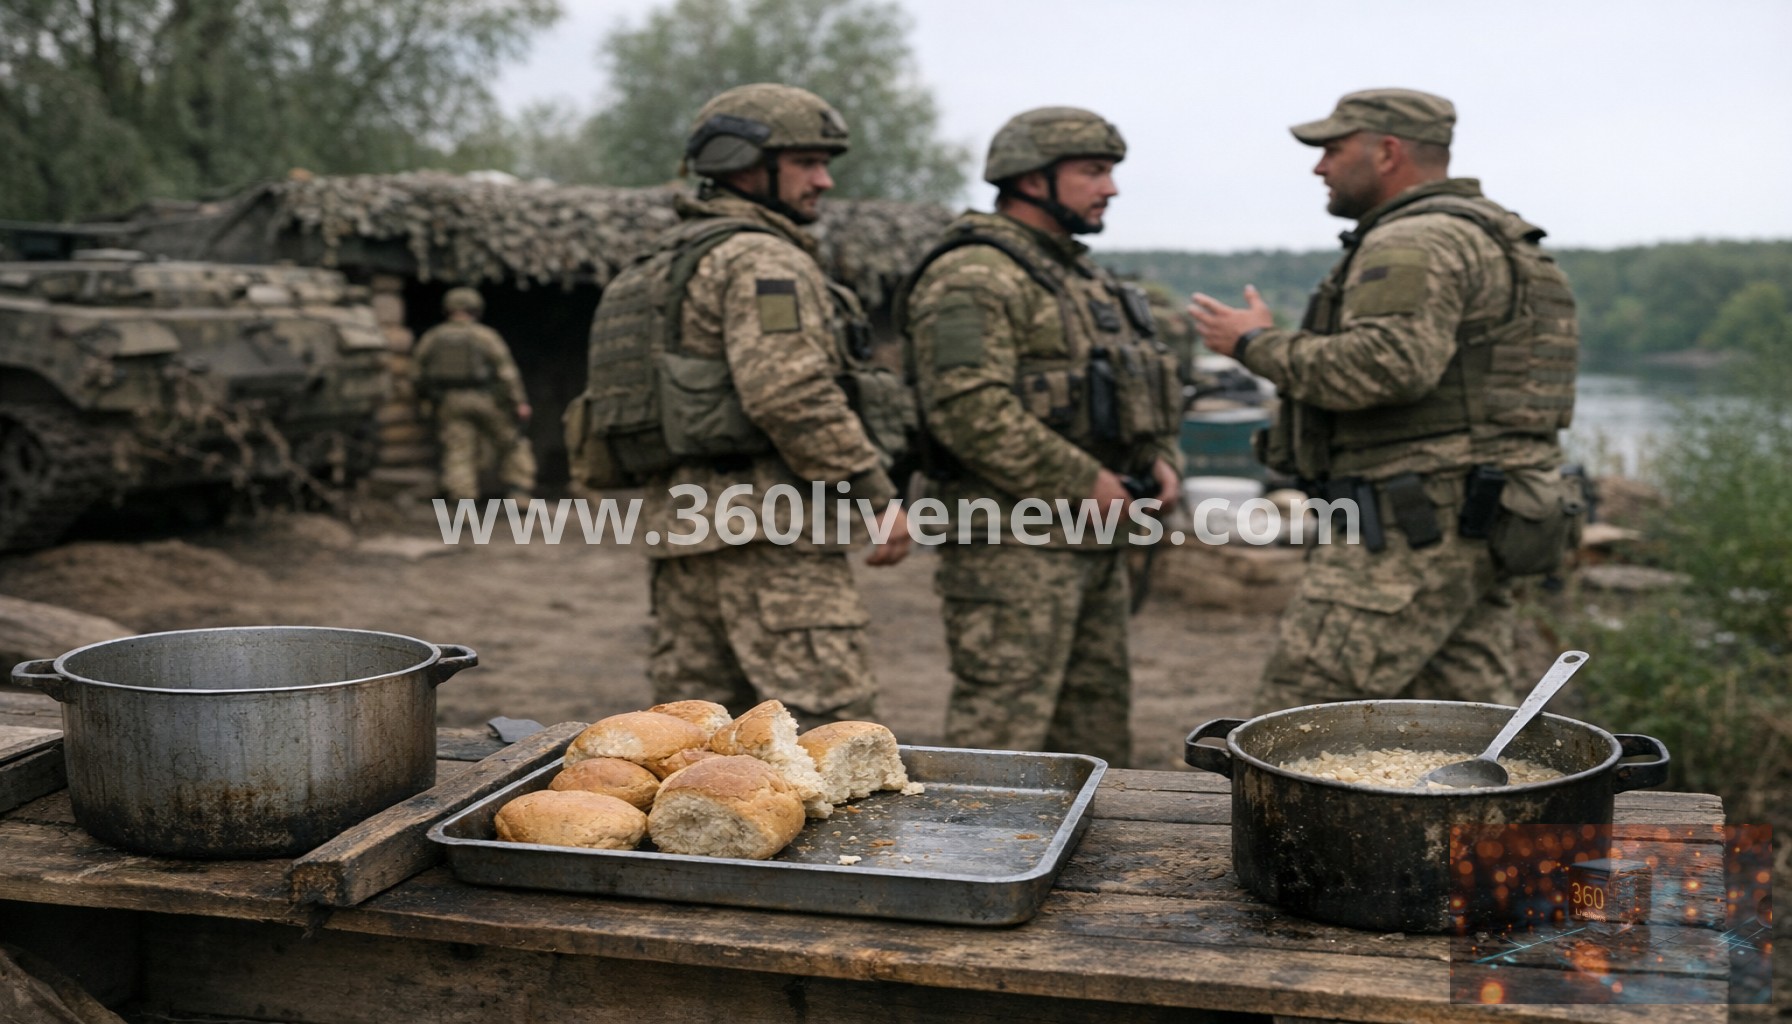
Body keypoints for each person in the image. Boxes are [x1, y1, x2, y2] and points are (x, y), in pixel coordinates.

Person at [1189, 88, 1581, 714]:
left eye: (1332, 150)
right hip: (1486, 517)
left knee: (1299, 723)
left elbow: (1386, 367)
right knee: (1464, 725)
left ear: (1388, 152)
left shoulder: (1414, 242)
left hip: (1409, 528)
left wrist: (1254, 344)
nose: (1319, 167)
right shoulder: (1494, 236)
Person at [574, 83, 911, 729]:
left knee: (695, 740)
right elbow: (789, 389)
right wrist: (873, 491)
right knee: (827, 736)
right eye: (808, 163)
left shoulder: (670, 259)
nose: (825, 180)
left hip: (687, 535)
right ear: (747, 165)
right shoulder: (761, 259)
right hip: (772, 539)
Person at [901, 107, 1183, 766]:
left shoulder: (1079, 278)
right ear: (1030, 179)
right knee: (1003, 735)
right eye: (1092, 171)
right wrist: (1083, 481)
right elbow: (967, 406)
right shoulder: (975, 273)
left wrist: (1160, 460)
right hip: (1011, 545)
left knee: (1095, 732)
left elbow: (1131, 389)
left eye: (1110, 171)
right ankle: (979, 865)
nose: (1109, 187)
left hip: (1093, 537)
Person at [412, 287, 536, 502]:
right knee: (512, 442)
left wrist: (428, 398)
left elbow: (416, 374)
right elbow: (507, 373)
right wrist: (519, 403)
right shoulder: (485, 336)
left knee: (458, 452)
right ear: (476, 309)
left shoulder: (433, 338)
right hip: (486, 400)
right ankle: (519, 493)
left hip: (450, 402)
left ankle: (463, 503)